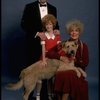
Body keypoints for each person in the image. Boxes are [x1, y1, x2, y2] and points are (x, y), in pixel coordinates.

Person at [21, 0, 59, 100]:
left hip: (49, 45)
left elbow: (56, 24)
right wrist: (37, 33)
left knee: (47, 69)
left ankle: (44, 96)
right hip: (34, 44)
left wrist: (56, 30)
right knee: (31, 70)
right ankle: (27, 95)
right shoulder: (29, 6)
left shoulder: (53, 8)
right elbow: (24, 24)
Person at [53, 19, 89, 100]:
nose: (74, 33)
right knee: (61, 74)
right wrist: (60, 57)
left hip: (77, 72)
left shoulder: (83, 46)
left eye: (76, 31)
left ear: (79, 32)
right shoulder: (64, 43)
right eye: (72, 31)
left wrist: (75, 59)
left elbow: (85, 63)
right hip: (65, 67)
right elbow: (50, 53)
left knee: (68, 75)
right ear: (69, 32)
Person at [36, 14, 61, 100]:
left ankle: (50, 94)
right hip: (45, 57)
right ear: (44, 25)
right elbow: (43, 49)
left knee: (51, 78)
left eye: (50, 24)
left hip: (53, 59)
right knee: (40, 77)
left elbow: (59, 49)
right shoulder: (43, 35)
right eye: (46, 24)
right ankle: (38, 95)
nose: (48, 26)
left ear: (53, 25)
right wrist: (43, 60)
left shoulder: (57, 36)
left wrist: (59, 58)